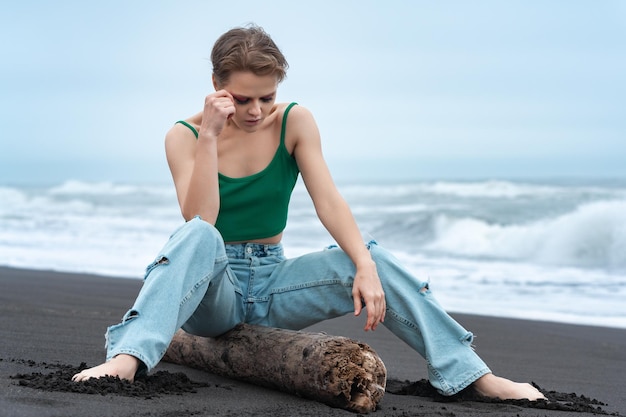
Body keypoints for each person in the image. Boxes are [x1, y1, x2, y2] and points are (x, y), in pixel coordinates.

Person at [72, 25, 545, 402]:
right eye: (242, 99)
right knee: (197, 236)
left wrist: (363, 266)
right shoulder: (184, 136)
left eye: (267, 97)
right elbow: (202, 220)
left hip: (274, 283)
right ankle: (127, 358)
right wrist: (212, 137)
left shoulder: (295, 121)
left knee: (369, 258)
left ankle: (469, 374)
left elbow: (328, 201)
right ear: (216, 87)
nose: (256, 110)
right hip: (213, 295)